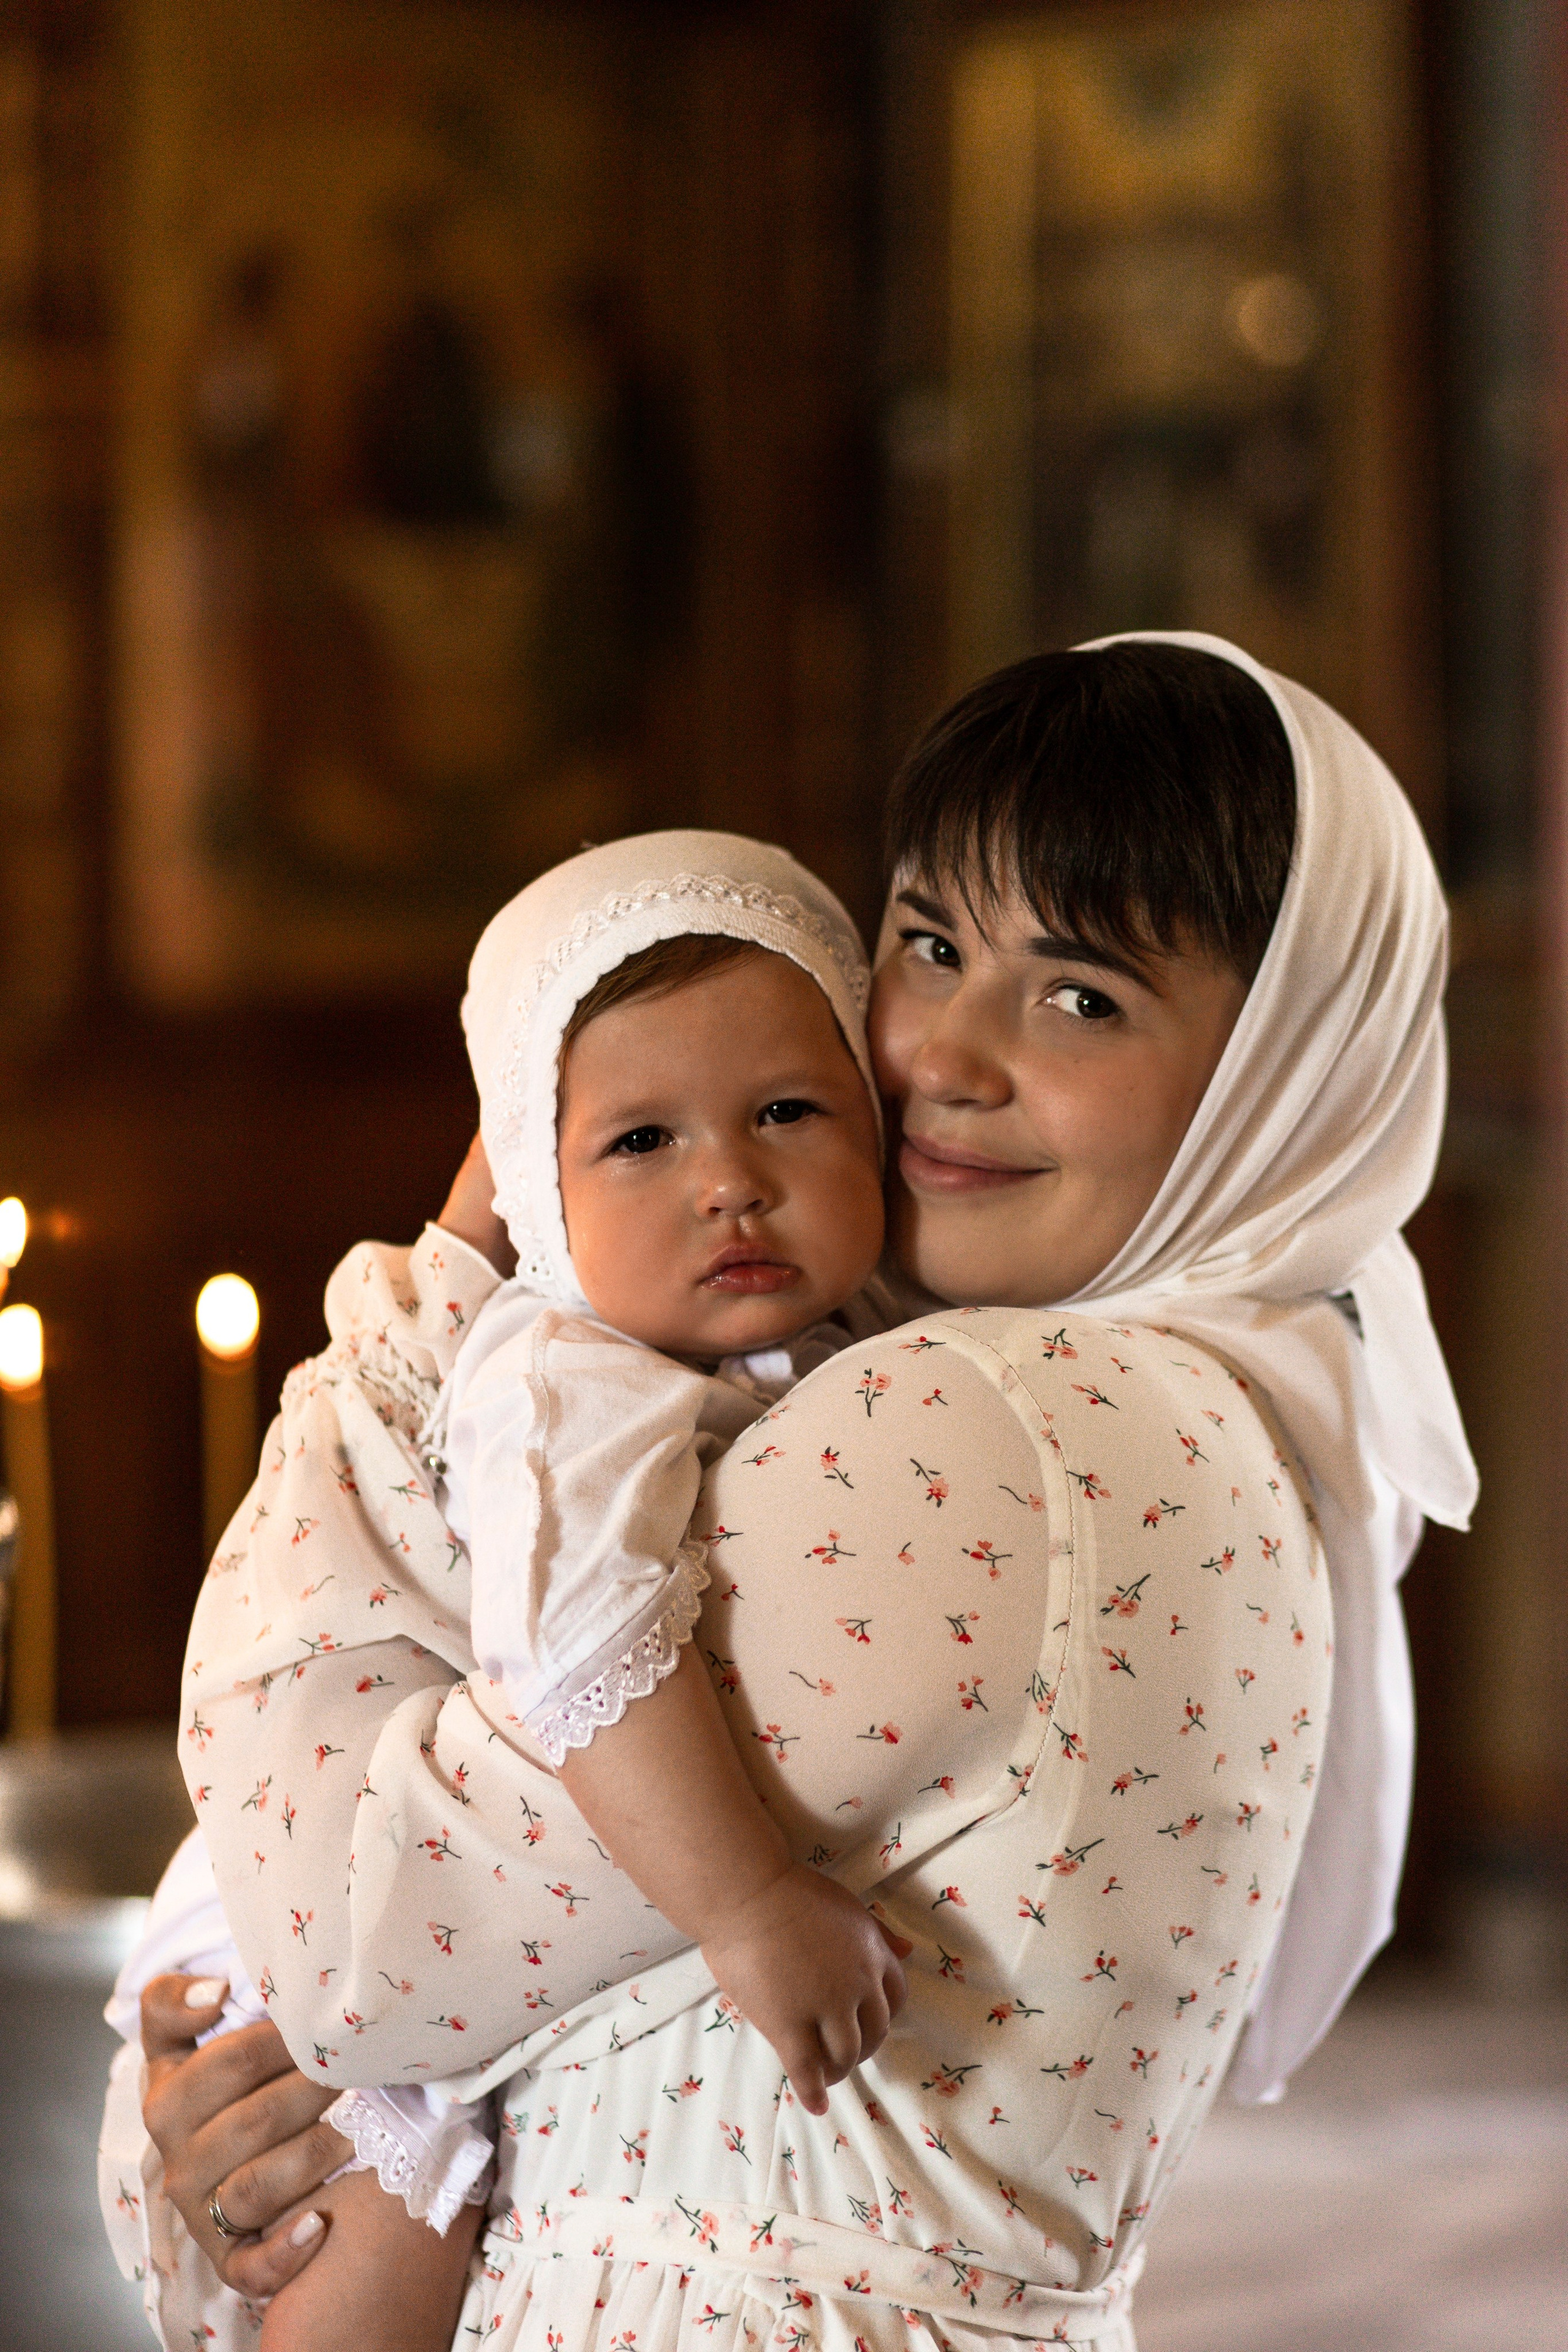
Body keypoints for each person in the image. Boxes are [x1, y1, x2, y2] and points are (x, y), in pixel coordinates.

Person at [105, 636, 1475, 2352]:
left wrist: (439, 1280)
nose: (942, 1059)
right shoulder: (1242, 1400)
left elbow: (356, 1943)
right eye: (927, 945)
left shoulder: (997, 1429)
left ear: (1290, 1070)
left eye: (1082, 997)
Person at [104, 834, 918, 2343]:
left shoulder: (842, 1353)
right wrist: (747, 1907)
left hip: (429, 1842)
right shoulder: (564, 1378)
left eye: (788, 1112)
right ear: (533, 1190)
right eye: (639, 1143)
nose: (729, 1182)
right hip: (298, 1896)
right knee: (389, 2238)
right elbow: (580, 1644)